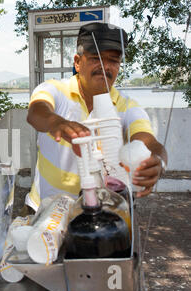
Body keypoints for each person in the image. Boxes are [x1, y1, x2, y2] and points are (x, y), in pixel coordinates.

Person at [24, 22, 168, 214]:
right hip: (46, 211)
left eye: (114, 60)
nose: (105, 66)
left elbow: (148, 141)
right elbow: (36, 112)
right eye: (95, 58)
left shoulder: (127, 106)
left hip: (100, 217)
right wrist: (56, 123)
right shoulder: (55, 89)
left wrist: (158, 161)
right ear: (77, 62)